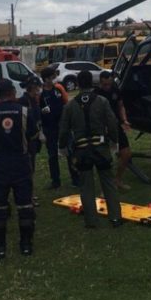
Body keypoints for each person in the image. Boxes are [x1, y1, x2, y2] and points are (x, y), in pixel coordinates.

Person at [59, 70, 122, 228]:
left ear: (78, 84)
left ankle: (91, 220)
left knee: (86, 186)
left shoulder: (70, 106)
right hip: (100, 148)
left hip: (82, 151)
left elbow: (64, 129)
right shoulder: (101, 101)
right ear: (92, 83)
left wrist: (62, 147)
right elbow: (112, 122)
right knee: (108, 183)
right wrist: (115, 141)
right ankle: (115, 217)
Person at [0, 79, 37, 259]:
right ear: (13, 92)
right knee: (25, 205)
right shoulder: (24, 112)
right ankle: (26, 245)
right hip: (20, 162)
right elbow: (32, 135)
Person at [39, 66, 79, 188]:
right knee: (52, 155)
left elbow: (67, 103)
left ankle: (75, 178)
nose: (55, 79)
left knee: (70, 152)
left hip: (63, 126)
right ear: (46, 79)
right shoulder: (41, 92)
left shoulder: (59, 88)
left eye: (55, 76)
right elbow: (38, 110)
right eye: (52, 77)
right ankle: (55, 181)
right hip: (49, 127)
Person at [96, 70, 132, 191]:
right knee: (106, 159)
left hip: (116, 126)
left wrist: (124, 119)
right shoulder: (96, 94)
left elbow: (120, 105)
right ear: (100, 82)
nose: (107, 87)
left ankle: (117, 179)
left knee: (126, 154)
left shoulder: (115, 90)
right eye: (104, 84)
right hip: (103, 129)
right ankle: (104, 187)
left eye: (109, 84)